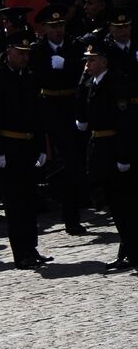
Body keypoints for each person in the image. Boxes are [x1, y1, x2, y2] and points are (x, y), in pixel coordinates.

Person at [0, 32, 50, 269]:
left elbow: (38, 115)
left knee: (30, 201)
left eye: (27, 54)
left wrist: (41, 146)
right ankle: (21, 253)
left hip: (28, 147)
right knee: (15, 203)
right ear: (8, 52)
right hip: (8, 148)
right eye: (20, 53)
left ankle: (31, 247)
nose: (24, 58)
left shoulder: (28, 76)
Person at [77, 42, 137, 269]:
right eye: (87, 60)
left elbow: (124, 123)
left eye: (92, 60)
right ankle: (128, 250)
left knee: (124, 205)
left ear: (104, 62)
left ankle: (132, 251)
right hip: (101, 148)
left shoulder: (115, 83)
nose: (87, 64)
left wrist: (124, 157)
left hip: (114, 149)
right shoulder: (93, 82)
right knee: (116, 204)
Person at [31, 5, 87, 234]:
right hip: (50, 108)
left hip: (72, 106)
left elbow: (85, 70)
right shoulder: (37, 50)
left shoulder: (75, 46)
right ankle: (67, 213)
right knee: (64, 160)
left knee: (75, 161)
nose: (58, 30)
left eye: (61, 25)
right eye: (53, 26)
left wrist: (68, 64)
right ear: (44, 28)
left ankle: (60, 197)